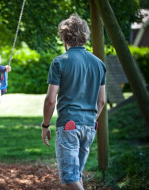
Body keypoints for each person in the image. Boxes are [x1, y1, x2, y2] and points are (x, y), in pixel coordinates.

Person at [41, 14, 106, 190]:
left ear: (64, 37)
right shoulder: (99, 64)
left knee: (70, 178)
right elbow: (101, 101)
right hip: (89, 125)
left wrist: (45, 125)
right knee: (76, 174)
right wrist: (91, 120)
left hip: (69, 124)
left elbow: (50, 99)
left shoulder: (60, 62)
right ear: (85, 35)